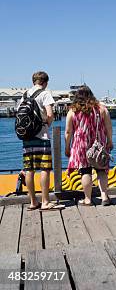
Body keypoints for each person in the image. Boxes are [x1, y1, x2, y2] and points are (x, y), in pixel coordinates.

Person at [21, 71, 65, 211]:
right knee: (45, 169)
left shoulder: (25, 94)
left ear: (33, 81)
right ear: (45, 82)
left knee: (29, 170)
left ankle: (33, 202)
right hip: (42, 137)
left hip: (27, 138)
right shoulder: (45, 93)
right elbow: (50, 114)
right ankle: (45, 201)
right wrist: (47, 124)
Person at [65, 86, 114, 206]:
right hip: (99, 144)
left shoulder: (72, 111)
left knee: (85, 171)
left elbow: (68, 132)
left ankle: (87, 199)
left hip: (81, 145)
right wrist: (110, 141)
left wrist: (67, 147)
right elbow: (109, 128)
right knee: (101, 170)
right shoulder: (102, 109)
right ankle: (104, 196)